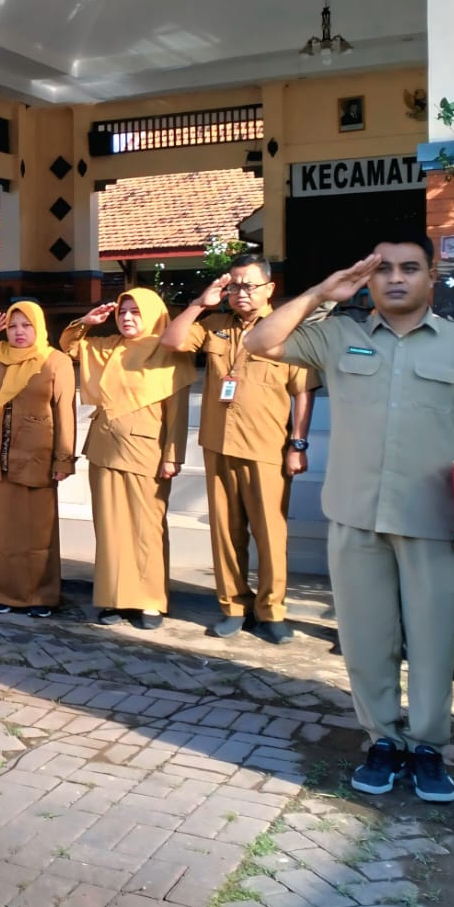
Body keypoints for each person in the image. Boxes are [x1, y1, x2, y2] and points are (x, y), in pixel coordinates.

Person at [242, 235, 454, 803]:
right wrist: (321, 291)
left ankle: (429, 748)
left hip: (435, 518)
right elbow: (260, 340)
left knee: (434, 642)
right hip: (356, 516)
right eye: (382, 269)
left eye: (409, 268)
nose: (394, 278)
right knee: (366, 642)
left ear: (430, 278)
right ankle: (383, 740)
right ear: (367, 279)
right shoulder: (338, 335)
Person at [159, 255, 318, 643]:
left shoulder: (288, 331)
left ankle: (272, 611)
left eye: (248, 285)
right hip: (218, 444)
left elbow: (303, 392)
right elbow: (172, 340)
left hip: (267, 447)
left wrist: (297, 444)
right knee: (225, 533)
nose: (240, 293)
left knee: (269, 533)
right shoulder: (214, 326)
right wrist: (201, 302)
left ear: (269, 289)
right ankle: (233, 606)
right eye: (234, 285)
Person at [62, 289, 193, 630]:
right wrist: (86, 323)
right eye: (122, 311)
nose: (127, 317)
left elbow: (177, 414)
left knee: (146, 529)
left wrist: (172, 456)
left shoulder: (170, 351)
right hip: (104, 448)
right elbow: (71, 347)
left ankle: (150, 601)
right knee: (110, 529)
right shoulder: (108, 347)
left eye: (135, 311)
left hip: (147, 452)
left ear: (152, 313)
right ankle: (114, 598)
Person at [0, 301, 75, 618]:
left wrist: (63, 459)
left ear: (39, 327)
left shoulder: (55, 361)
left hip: (37, 457)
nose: (19, 332)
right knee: (2, 531)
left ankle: (41, 596)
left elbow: (65, 412)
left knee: (38, 531)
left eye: (26, 325)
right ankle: (2, 592)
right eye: (13, 326)